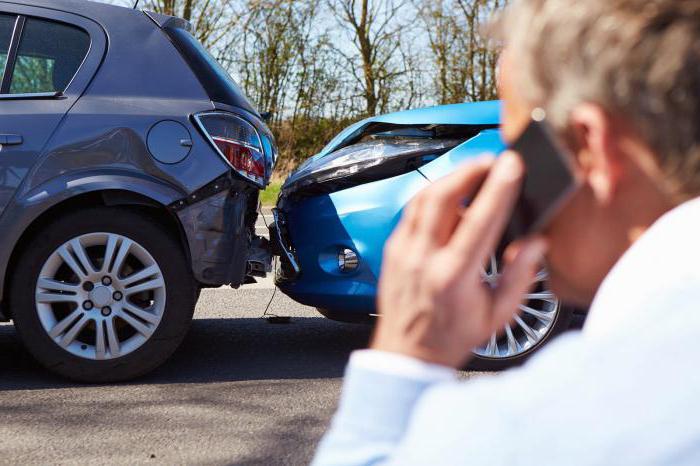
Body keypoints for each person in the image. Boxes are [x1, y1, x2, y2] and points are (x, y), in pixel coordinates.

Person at [312, 0, 700, 464]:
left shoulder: (553, 423)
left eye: (521, 152)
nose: (510, 182)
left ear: (590, 148)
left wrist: (406, 352)